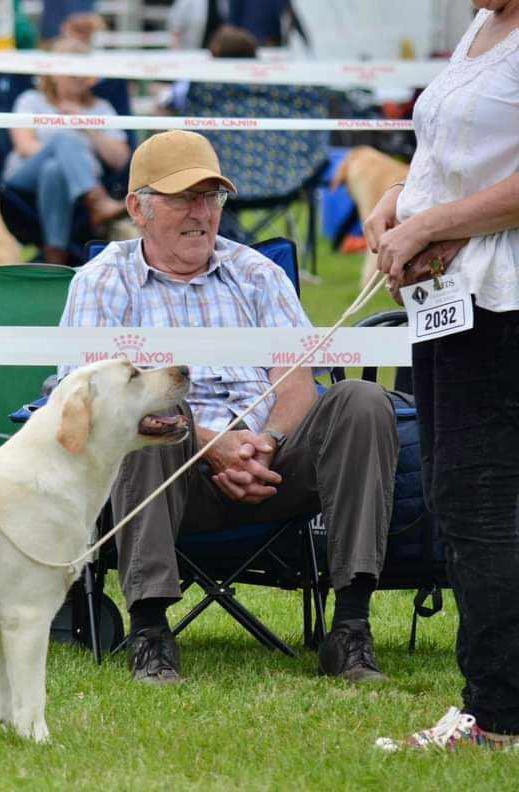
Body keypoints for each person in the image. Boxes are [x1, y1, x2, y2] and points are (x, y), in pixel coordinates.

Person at [59, 130, 399, 685]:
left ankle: (352, 630)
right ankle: (149, 632)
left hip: (270, 464)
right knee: (147, 419)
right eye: (181, 199)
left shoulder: (257, 273)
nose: (200, 214)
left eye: (210, 198)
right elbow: (90, 396)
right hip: (169, 480)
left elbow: (295, 379)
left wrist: (266, 442)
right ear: (136, 209)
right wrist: (209, 443)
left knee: (361, 400)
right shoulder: (102, 283)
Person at [368, 1, 519, 752]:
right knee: (458, 495)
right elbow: (461, 147)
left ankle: (499, 717)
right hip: (452, 298)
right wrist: (402, 199)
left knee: (480, 500)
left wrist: (431, 224)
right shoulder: (482, 27)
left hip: (504, 301)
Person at [4, 37, 131, 265]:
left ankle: (55, 257)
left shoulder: (101, 108)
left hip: (70, 180)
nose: (78, 76)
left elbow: (120, 159)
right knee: (64, 138)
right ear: (53, 72)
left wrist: (87, 126)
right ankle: (98, 202)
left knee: (54, 171)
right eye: (71, 70)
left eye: (82, 70)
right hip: (24, 176)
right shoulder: (30, 100)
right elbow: (24, 146)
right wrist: (66, 148)